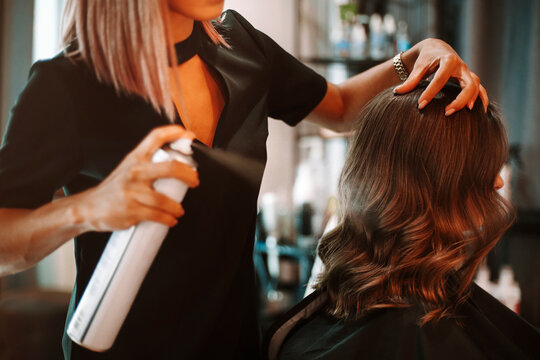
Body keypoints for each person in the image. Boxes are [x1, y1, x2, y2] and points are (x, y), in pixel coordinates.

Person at [0, 0, 488, 359]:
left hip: (234, 346)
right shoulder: (66, 87)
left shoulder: (241, 47)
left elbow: (339, 108)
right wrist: (87, 208)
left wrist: (420, 54)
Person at [265, 82, 540, 360]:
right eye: (484, 165)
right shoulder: (411, 334)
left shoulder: (345, 313)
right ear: (436, 182)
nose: (498, 181)